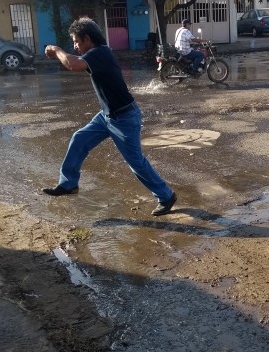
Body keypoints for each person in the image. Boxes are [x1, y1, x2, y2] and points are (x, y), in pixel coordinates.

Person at [42, 18, 177, 216]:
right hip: (107, 116)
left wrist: (56, 50)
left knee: (136, 163)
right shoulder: (96, 55)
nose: (75, 46)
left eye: (76, 41)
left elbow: (73, 65)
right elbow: (77, 63)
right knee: (79, 138)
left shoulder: (100, 52)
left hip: (124, 118)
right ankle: (68, 184)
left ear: (87, 39)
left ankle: (166, 196)